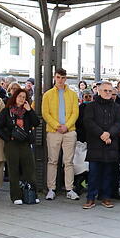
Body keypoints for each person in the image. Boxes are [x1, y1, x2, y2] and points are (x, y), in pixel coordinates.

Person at [0, 87, 41, 204]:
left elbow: (36, 122)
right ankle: (16, 196)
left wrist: (30, 110)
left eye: (24, 97)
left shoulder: (27, 112)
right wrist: (7, 138)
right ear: (15, 97)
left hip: (25, 143)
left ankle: (32, 193)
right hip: (12, 143)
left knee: (29, 169)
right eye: (20, 96)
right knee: (13, 170)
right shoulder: (7, 111)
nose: (21, 99)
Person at [41, 68, 80, 201]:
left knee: (68, 161)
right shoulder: (48, 94)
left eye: (63, 78)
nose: (60, 80)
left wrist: (67, 126)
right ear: (54, 77)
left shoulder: (73, 95)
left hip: (69, 131)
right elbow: (45, 113)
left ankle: (69, 189)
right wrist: (57, 126)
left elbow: (75, 113)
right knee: (52, 161)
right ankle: (51, 189)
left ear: (66, 78)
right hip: (53, 131)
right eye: (58, 77)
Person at [83, 81, 120, 209]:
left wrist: (109, 134)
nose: (108, 93)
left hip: (110, 144)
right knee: (93, 173)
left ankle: (106, 197)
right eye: (105, 90)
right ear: (99, 91)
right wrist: (101, 134)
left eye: (110, 91)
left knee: (108, 173)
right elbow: (88, 122)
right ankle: (90, 198)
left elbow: (119, 123)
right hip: (95, 143)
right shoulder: (91, 106)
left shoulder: (117, 107)